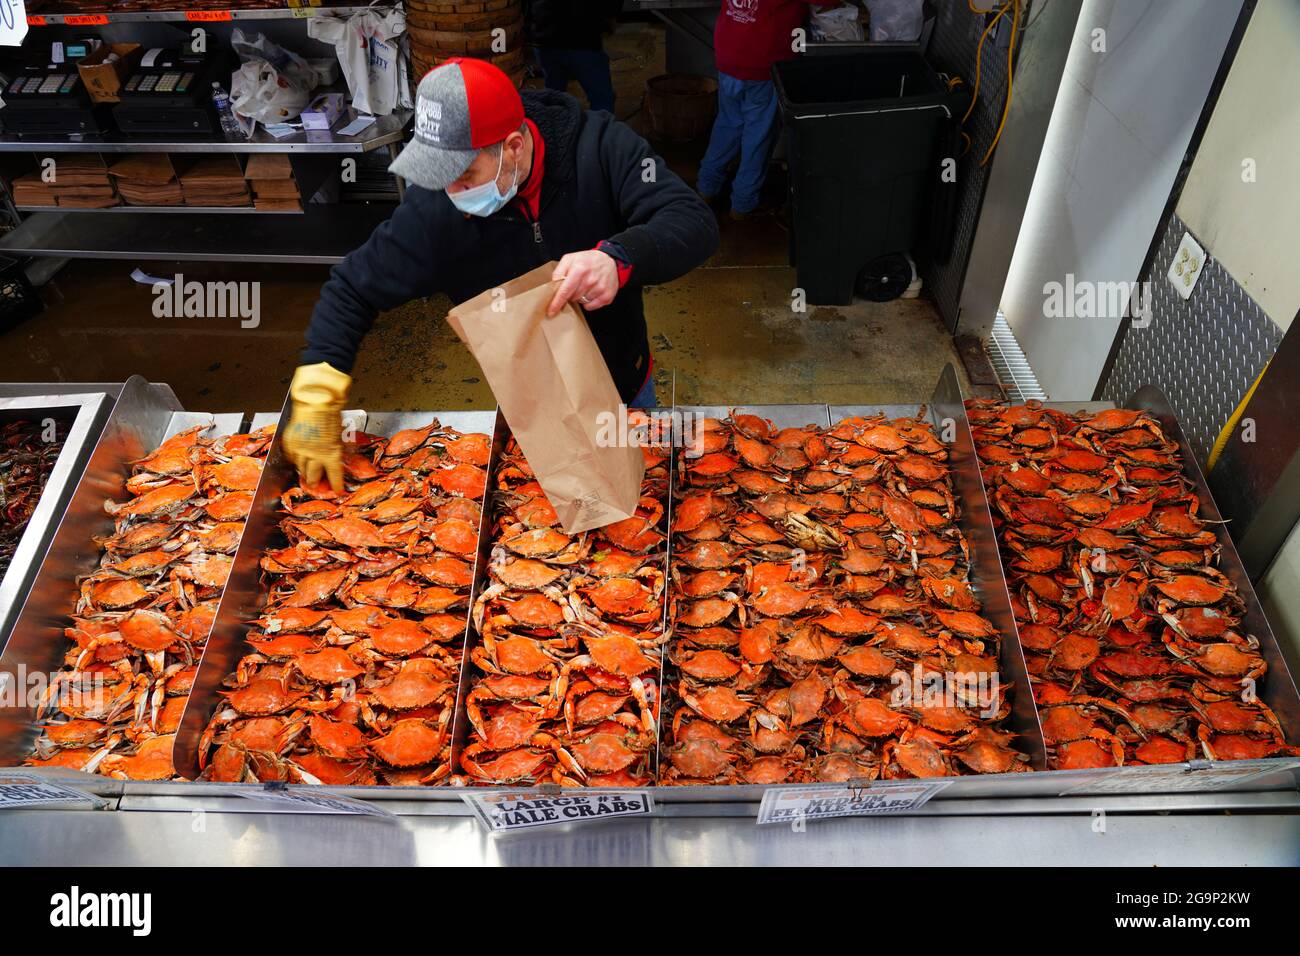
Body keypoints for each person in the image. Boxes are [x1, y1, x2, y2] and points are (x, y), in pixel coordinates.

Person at [283, 58, 718, 490]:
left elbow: (692, 221)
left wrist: (618, 258)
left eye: (465, 174)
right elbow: (352, 289)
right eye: (439, 174)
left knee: (651, 493)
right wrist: (317, 386)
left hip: (624, 385)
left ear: (513, 146)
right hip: (533, 407)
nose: (452, 191)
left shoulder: (602, 148)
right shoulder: (434, 210)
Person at [696, 0, 825, 220]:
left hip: (729, 54)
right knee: (758, 135)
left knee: (728, 124)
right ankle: (742, 205)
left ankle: (706, 188)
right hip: (762, 63)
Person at [527, 0, 622, 115]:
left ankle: (557, 127)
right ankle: (600, 130)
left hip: (545, 35)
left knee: (554, 95)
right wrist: (611, 16)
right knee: (602, 101)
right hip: (582, 37)